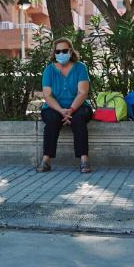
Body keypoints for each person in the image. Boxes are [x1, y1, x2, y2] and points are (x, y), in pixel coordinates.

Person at [38, 37, 93, 173]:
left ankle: (84, 160)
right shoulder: (49, 70)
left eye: (64, 50)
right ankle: (46, 160)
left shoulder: (80, 68)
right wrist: (62, 111)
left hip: (78, 106)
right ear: (54, 53)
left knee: (79, 118)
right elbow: (47, 95)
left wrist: (71, 110)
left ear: (71, 51)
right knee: (52, 119)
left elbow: (82, 92)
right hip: (54, 107)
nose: (61, 54)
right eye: (58, 51)